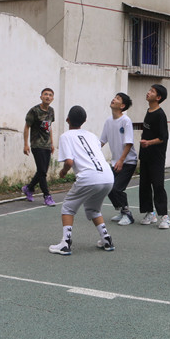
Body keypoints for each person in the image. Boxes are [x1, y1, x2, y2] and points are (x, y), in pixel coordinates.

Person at [49, 106, 116, 255]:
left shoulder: (66, 136)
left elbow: (69, 162)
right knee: (93, 209)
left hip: (89, 177)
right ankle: (106, 239)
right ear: (84, 121)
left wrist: (63, 172)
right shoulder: (92, 136)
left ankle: (65, 244)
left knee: (68, 207)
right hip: (108, 176)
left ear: (67, 119)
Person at [100, 93, 138, 226]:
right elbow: (102, 141)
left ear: (122, 106)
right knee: (107, 186)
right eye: (114, 97)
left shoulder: (126, 121)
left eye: (118, 99)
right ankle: (122, 211)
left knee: (117, 188)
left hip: (128, 161)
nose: (114, 99)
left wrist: (121, 160)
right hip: (116, 162)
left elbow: (129, 143)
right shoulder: (108, 121)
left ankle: (128, 215)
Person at [138, 84, 170, 229]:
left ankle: (164, 216)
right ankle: (150, 213)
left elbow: (163, 137)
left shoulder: (160, 115)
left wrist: (148, 143)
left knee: (158, 185)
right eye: (149, 90)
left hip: (156, 157)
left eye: (152, 91)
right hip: (145, 155)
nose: (148, 92)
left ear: (158, 97)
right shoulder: (149, 111)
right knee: (144, 185)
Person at [22, 88, 56, 207]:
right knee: (42, 172)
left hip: (47, 145)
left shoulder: (51, 111)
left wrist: (52, 143)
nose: (48, 97)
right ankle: (47, 196)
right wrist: (26, 144)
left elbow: (49, 127)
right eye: (45, 94)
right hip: (37, 144)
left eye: (50, 95)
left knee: (42, 171)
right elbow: (27, 127)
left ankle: (29, 188)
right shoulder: (34, 111)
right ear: (41, 97)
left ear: (52, 98)